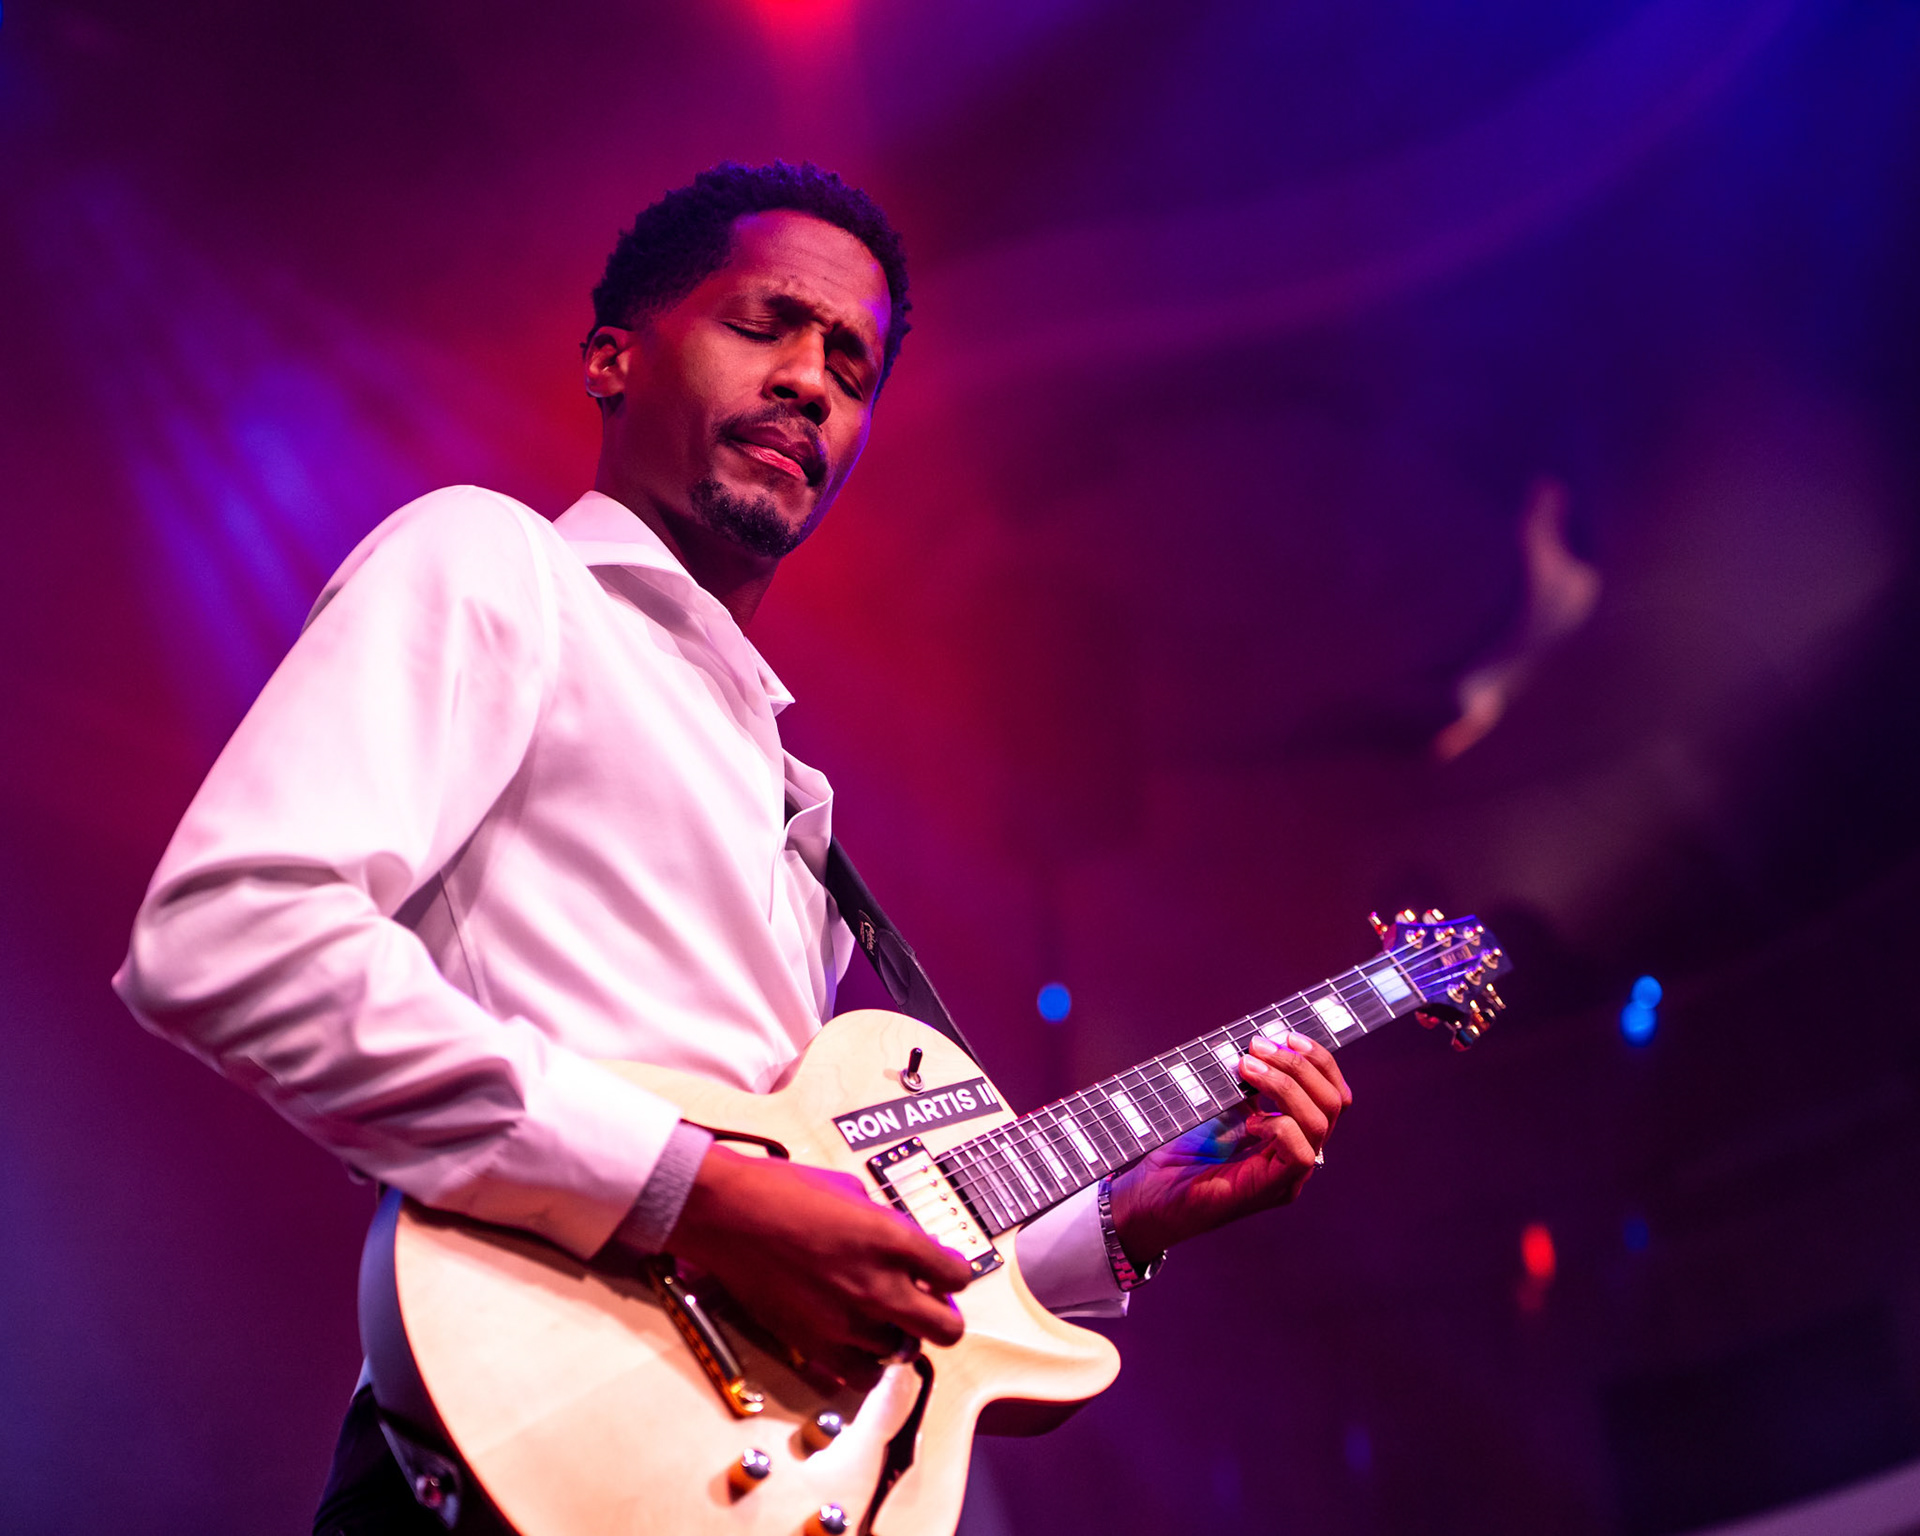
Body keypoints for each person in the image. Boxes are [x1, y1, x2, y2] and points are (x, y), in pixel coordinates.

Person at [113, 162, 1351, 1534]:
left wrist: (1120, 1219)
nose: (812, 383)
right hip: (497, 1452)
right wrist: (695, 1193)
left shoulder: (788, 794)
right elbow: (233, 936)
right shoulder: (495, 563)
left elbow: (811, 1227)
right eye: (765, 325)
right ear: (613, 358)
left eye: (851, 370)